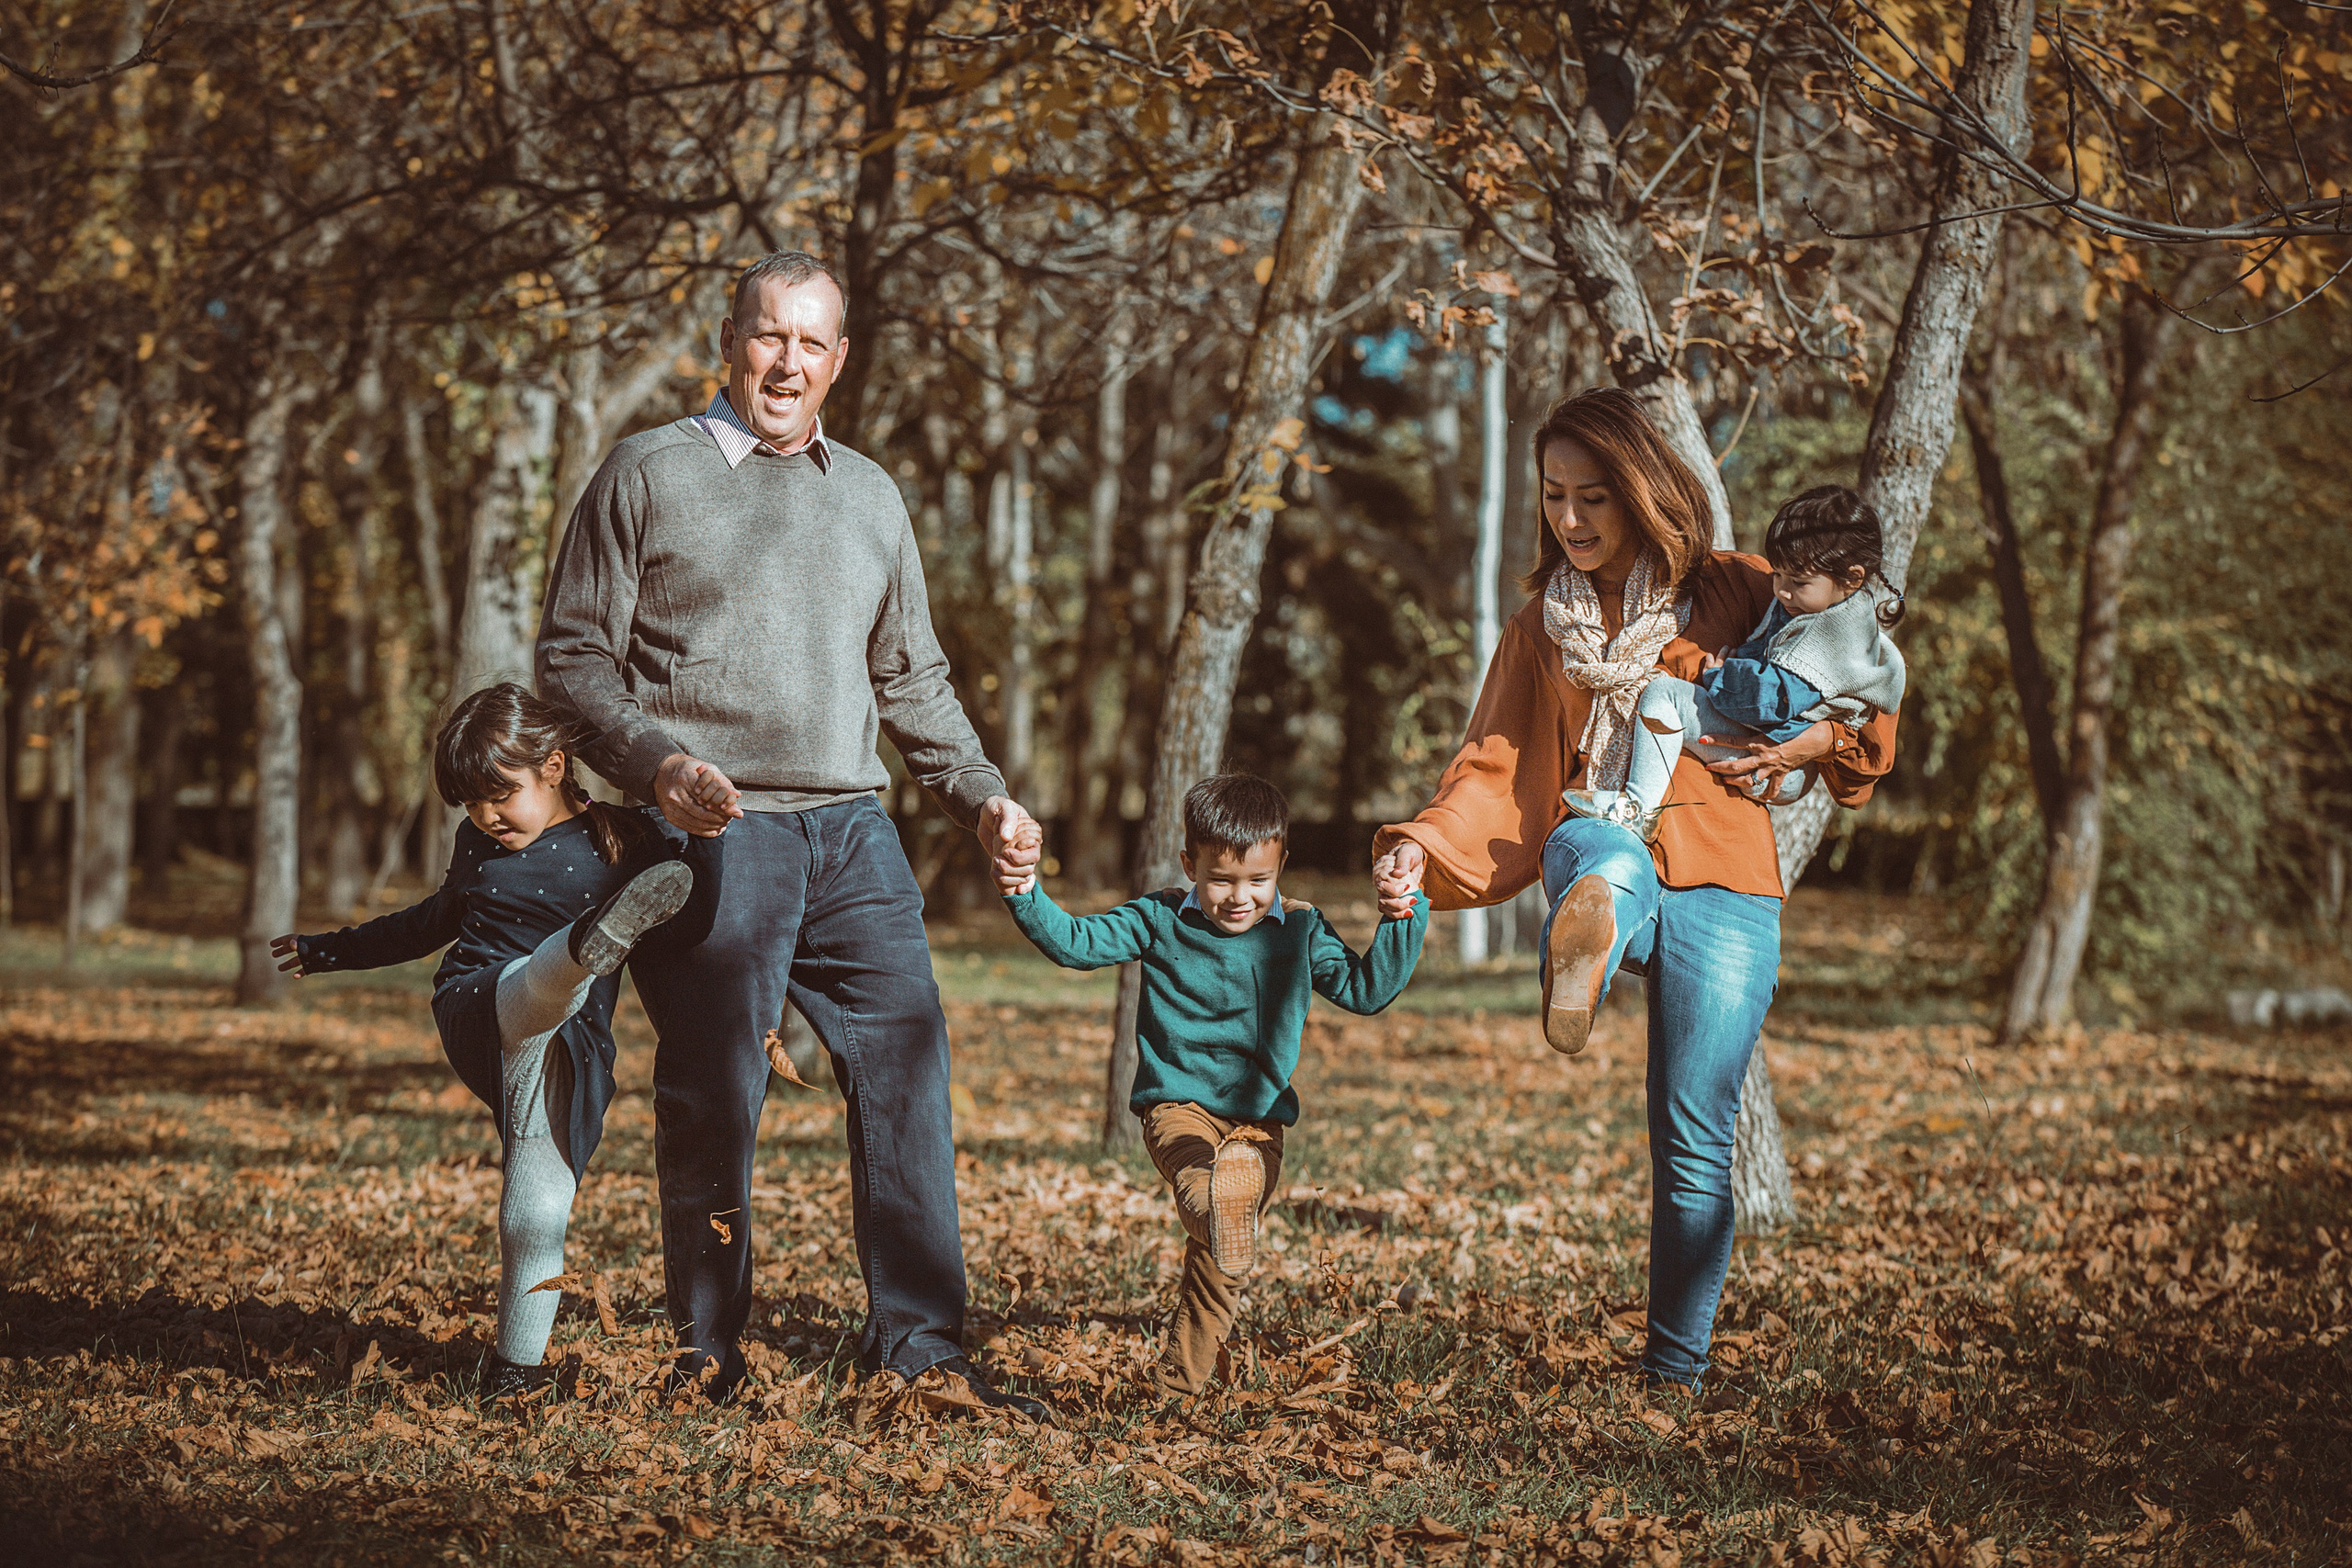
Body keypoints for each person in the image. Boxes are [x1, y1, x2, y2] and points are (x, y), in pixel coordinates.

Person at [536, 249, 1047, 1416]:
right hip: (717, 832)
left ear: (840, 360)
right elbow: (571, 659)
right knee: (718, 1091)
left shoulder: (868, 493)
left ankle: (921, 1349)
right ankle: (707, 1351)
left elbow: (910, 676)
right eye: (770, 336)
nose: (788, 362)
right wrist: (657, 767)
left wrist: (981, 796)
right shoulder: (648, 473)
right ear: (729, 340)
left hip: (851, 830)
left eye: (812, 342)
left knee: (907, 1066)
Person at [1372, 389, 1899, 1391]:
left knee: (1694, 1136)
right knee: (1596, 849)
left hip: (1727, 877)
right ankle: (1598, 933)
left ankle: (1672, 1374)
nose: (1570, 519)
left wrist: (1818, 740)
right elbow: (1497, 766)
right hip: (1602, 840)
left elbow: (1859, 688)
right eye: (1555, 497)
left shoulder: (1741, 590)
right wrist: (1418, 845)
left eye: (1594, 497)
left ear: (1644, 492)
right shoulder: (1541, 627)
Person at [271, 683, 722, 1404]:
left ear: (553, 764)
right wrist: (331, 950)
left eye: (499, 794)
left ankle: (514, 1376)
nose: (486, 816)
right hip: (482, 1002)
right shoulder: (478, 844)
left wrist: (707, 829)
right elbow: (429, 922)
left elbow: (697, 904)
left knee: (539, 1203)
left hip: (571, 1047)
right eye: (470, 803)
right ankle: (578, 949)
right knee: (536, 980)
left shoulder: (627, 838)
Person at [992, 774, 1428, 1396]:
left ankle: (1175, 1388)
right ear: (1189, 863)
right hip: (1178, 1105)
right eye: (1220, 879)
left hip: (1257, 1127)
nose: (1239, 897)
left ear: (1281, 864)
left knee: (1224, 1257)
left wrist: (1401, 915)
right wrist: (1025, 890)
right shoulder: (1160, 917)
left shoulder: (1301, 929)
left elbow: (1367, 990)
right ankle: (1218, 1204)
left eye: (1258, 880)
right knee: (1203, 1180)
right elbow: (1078, 944)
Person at [1568, 483, 1907, 832]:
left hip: (1779, 766)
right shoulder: (1815, 607)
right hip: (1778, 756)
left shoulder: (1832, 639)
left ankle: (1637, 807)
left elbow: (1768, 700)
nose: (1782, 590)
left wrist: (1720, 678)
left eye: (1798, 581)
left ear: (1852, 579)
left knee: (1663, 695)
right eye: (1777, 574)